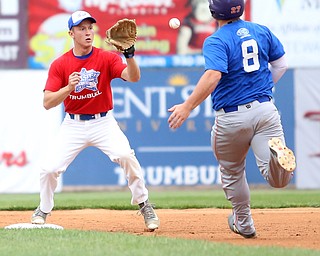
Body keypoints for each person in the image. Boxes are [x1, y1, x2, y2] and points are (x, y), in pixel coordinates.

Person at [168, 0, 296, 238]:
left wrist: (187, 106)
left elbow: (214, 74)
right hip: (265, 110)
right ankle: (278, 161)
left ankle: (244, 222)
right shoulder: (261, 30)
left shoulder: (216, 40)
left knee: (232, 171)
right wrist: (263, 89)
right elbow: (281, 64)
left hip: (232, 118)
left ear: (214, 12)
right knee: (276, 179)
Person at [31, 10, 160, 231]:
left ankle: (144, 204)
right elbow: (47, 102)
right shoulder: (60, 64)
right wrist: (69, 88)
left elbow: (133, 77)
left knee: (125, 155)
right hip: (73, 125)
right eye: (82, 28)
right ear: (71, 33)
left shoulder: (107, 57)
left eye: (90, 27)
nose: (88, 32)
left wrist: (129, 56)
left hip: (103, 123)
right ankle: (43, 208)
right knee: (49, 169)